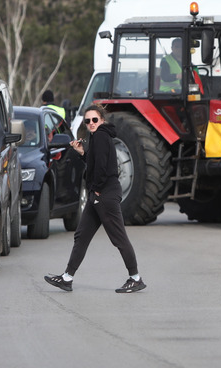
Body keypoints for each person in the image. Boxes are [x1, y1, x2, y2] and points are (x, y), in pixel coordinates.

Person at [44, 104, 146, 293]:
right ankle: (67, 277)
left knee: (118, 237)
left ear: (102, 120)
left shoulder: (100, 135)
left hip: (104, 194)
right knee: (81, 236)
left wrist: (97, 189)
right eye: (88, 120)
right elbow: (96, 162)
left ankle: (135, 278)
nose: (91, 123)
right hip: (98, 194)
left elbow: (100, 167)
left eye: (94, 120)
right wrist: (83, 153)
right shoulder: (99, 136)